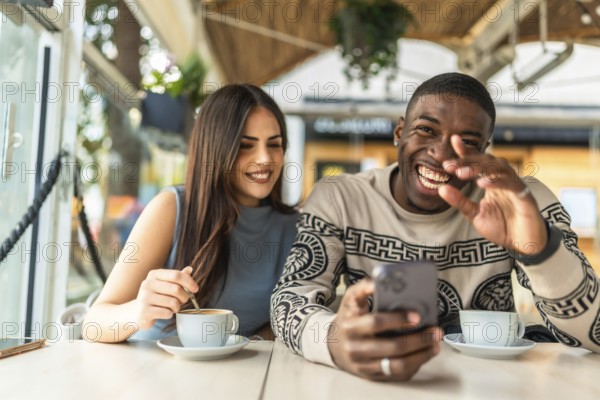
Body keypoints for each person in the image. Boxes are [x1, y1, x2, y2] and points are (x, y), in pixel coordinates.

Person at [270, 72, 600, 381]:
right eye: (427, 130)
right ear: (399, 132)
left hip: (491, 385)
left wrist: (540, 251)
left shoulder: (519, 200)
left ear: (485, 150)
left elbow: (594, 335)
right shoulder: (340, 197)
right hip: (374, 385)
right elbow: (288, 301)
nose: (441, 155)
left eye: (467, 142)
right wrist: (334, 340)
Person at [84, 84, 298, 342]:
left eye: (274, 145)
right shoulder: (171, 208)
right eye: (245, 145)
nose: (265, 158)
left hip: (240, 376)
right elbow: (94, 323)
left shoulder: (296, 228)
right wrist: (137, 311)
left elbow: (287, 323)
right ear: (215, 149)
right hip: (149, 370)